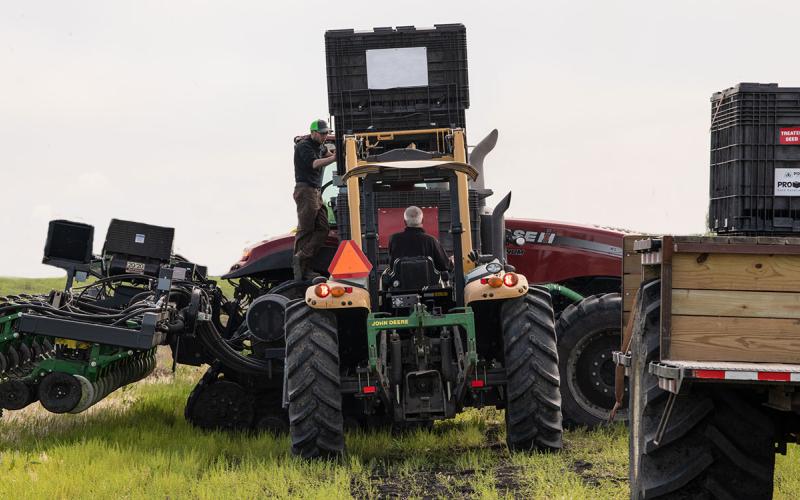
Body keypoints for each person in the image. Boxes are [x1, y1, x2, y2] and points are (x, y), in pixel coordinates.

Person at [292, 119, 337, 280]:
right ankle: (301, 267)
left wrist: (338, 154)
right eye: (323, 133)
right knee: (306, 229)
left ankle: (303, 256)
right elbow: (315, 163)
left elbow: (328, 154)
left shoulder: (320, 145)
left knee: (324, 228)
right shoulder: (303, 146)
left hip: (315, 192)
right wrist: (334, 159)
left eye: (327, 133)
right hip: (306, 191)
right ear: (313, 133)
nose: (325, 136)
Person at [388, 206, 452, 273]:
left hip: (400, 283)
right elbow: (444, 266)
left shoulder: (394, 239)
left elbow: (392, 265)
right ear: (422, 220)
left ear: (404, 222)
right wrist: (451, 262)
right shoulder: (431, 241)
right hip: (427, 283)